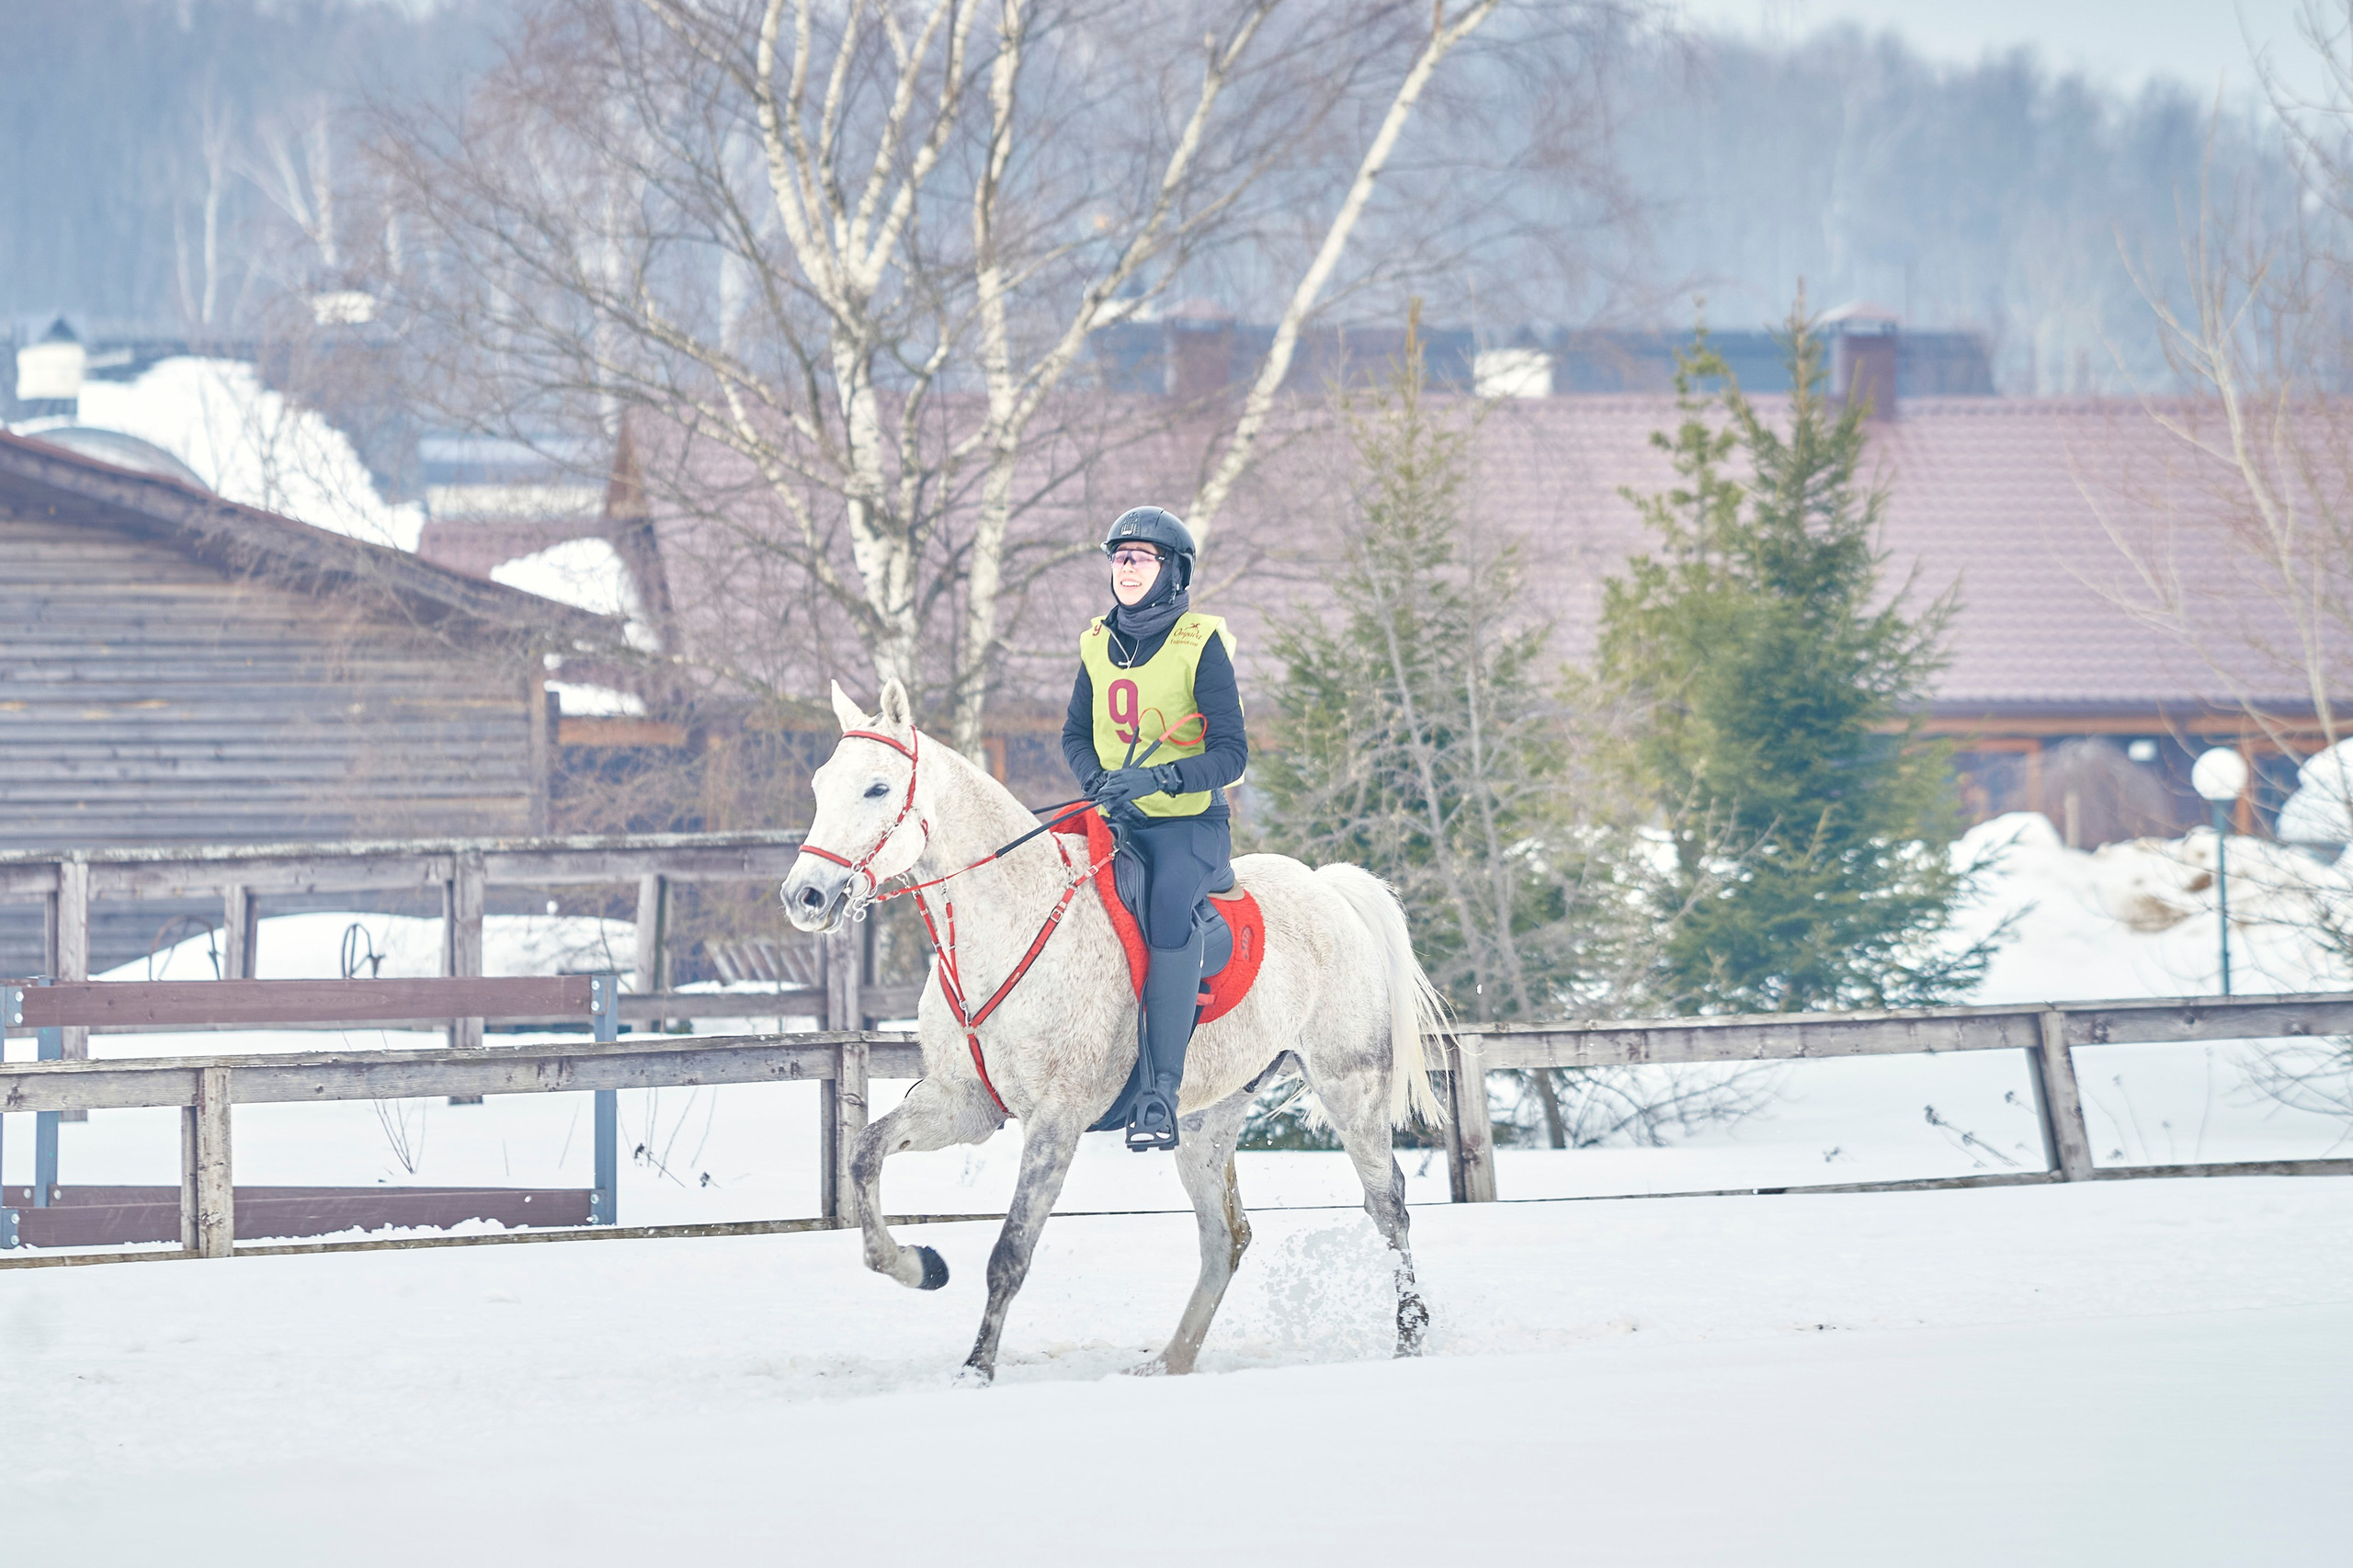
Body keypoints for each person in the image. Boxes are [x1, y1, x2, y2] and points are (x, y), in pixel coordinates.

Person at [1062, 506, 1248, 1151]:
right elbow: (1074, 735)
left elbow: (1232, 754)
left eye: (1141, 557)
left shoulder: (1202, 642)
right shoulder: (1095, 642)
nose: (1127, 567)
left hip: (1188, 828)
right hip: (1115, 819)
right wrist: (1095, 782)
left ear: (1172, 570)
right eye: (1120, 557)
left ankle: (1160, 1093)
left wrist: (1159, 779)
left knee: (1170, 903)